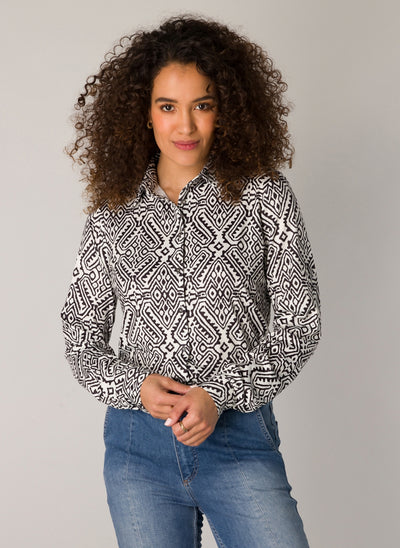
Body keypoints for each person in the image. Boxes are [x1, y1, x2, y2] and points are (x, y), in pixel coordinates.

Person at [61, 15, 321, 548]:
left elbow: (300, 325)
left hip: (238, 439)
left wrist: (219, 395)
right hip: (138, 450)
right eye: (167, 107)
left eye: (202, 105)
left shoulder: (264, 195)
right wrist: (135, 387)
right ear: (144, 112)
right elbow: (80, 334)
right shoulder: (114, 209)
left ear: (225, 109)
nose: (185, 126)